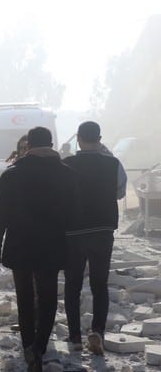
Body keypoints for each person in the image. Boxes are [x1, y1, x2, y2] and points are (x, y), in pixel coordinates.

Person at [0, 126, 79, 372]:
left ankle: (29, 347)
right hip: (52, 244)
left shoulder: (11, 175)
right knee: (47, 298)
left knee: (24, 297)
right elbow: (74, 215)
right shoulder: (67, 175)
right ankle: (39, 346)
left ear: (28, 146)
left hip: (20, 244)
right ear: (51, 144)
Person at [62, 121, 128, 355]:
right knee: (99, 285)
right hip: (102, 230)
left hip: (73, 232)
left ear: (78, 138)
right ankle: (98, 332)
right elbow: (119, 192)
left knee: (72, 285)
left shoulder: (66, 164)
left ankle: (75, 337)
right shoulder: (113, 164)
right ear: (100, 139)